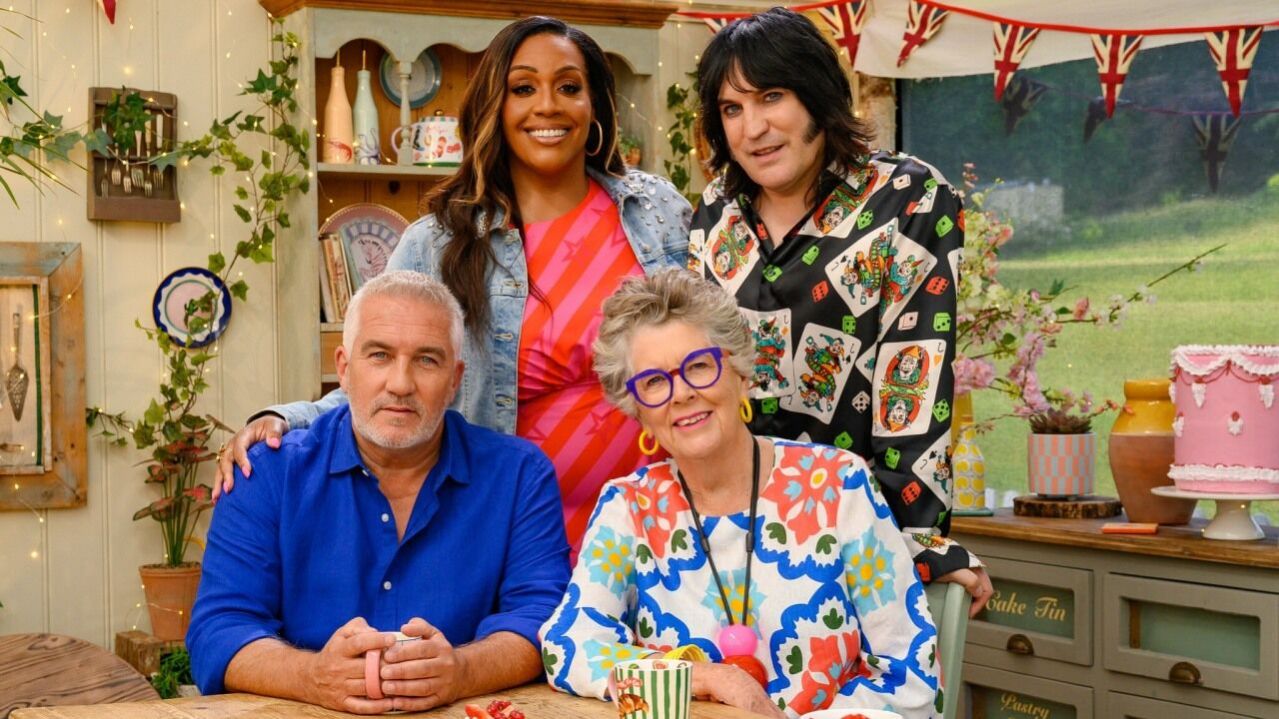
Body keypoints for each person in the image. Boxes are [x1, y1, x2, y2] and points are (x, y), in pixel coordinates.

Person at [212, 16, 691, 549]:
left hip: (665, 527)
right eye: (523, 88)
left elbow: (715, 351)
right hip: (512, 539)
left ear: (595, 104)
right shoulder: (438, 243)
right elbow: (382, 376)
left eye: (569, 87)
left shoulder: (656, 211)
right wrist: (285, 419)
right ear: (494, 107)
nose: (548, 106)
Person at [686, 8, 990, 613]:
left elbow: (915, 375)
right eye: (732, 109)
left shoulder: (908, 199)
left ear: (818, 93)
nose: (753, 128)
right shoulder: (716, 211)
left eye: (771, 96)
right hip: (729, 540)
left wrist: (918, 540)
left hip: (860, 540)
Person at [541, 269, 939, 719]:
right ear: (637, 411)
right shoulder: (629, 506)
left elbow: (910, 678)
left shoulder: (838, 484)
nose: (681, 394)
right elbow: (568, 645)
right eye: (653, 382)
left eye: (698, 366)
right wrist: (702, 676)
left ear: (741, 373)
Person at [187, 272, 570, 713]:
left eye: (427, 360)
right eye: (380, 355)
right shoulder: (266, 473)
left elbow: (543, 619)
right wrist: (312, 677)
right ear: (344, 369)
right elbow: (219, 630)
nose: (401, 383)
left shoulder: (520, 475)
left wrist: (463, 671)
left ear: (455, 380)